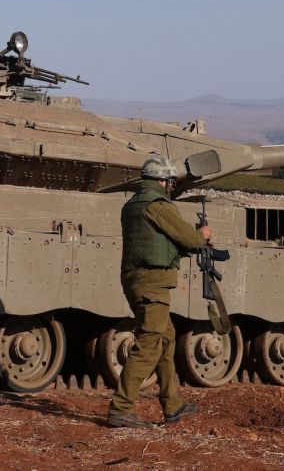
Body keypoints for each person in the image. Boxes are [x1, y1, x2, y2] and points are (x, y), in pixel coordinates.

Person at [106, 155, 211, 429]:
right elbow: (190, 240)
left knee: (166, 338)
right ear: (163, 181)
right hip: (152, 283)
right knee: (149, 344)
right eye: (170, 182)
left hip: (136, 279)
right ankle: (121, 408)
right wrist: (203, 236)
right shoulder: (159, 206)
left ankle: (172, 404)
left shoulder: (132, 205)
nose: (171, 187)